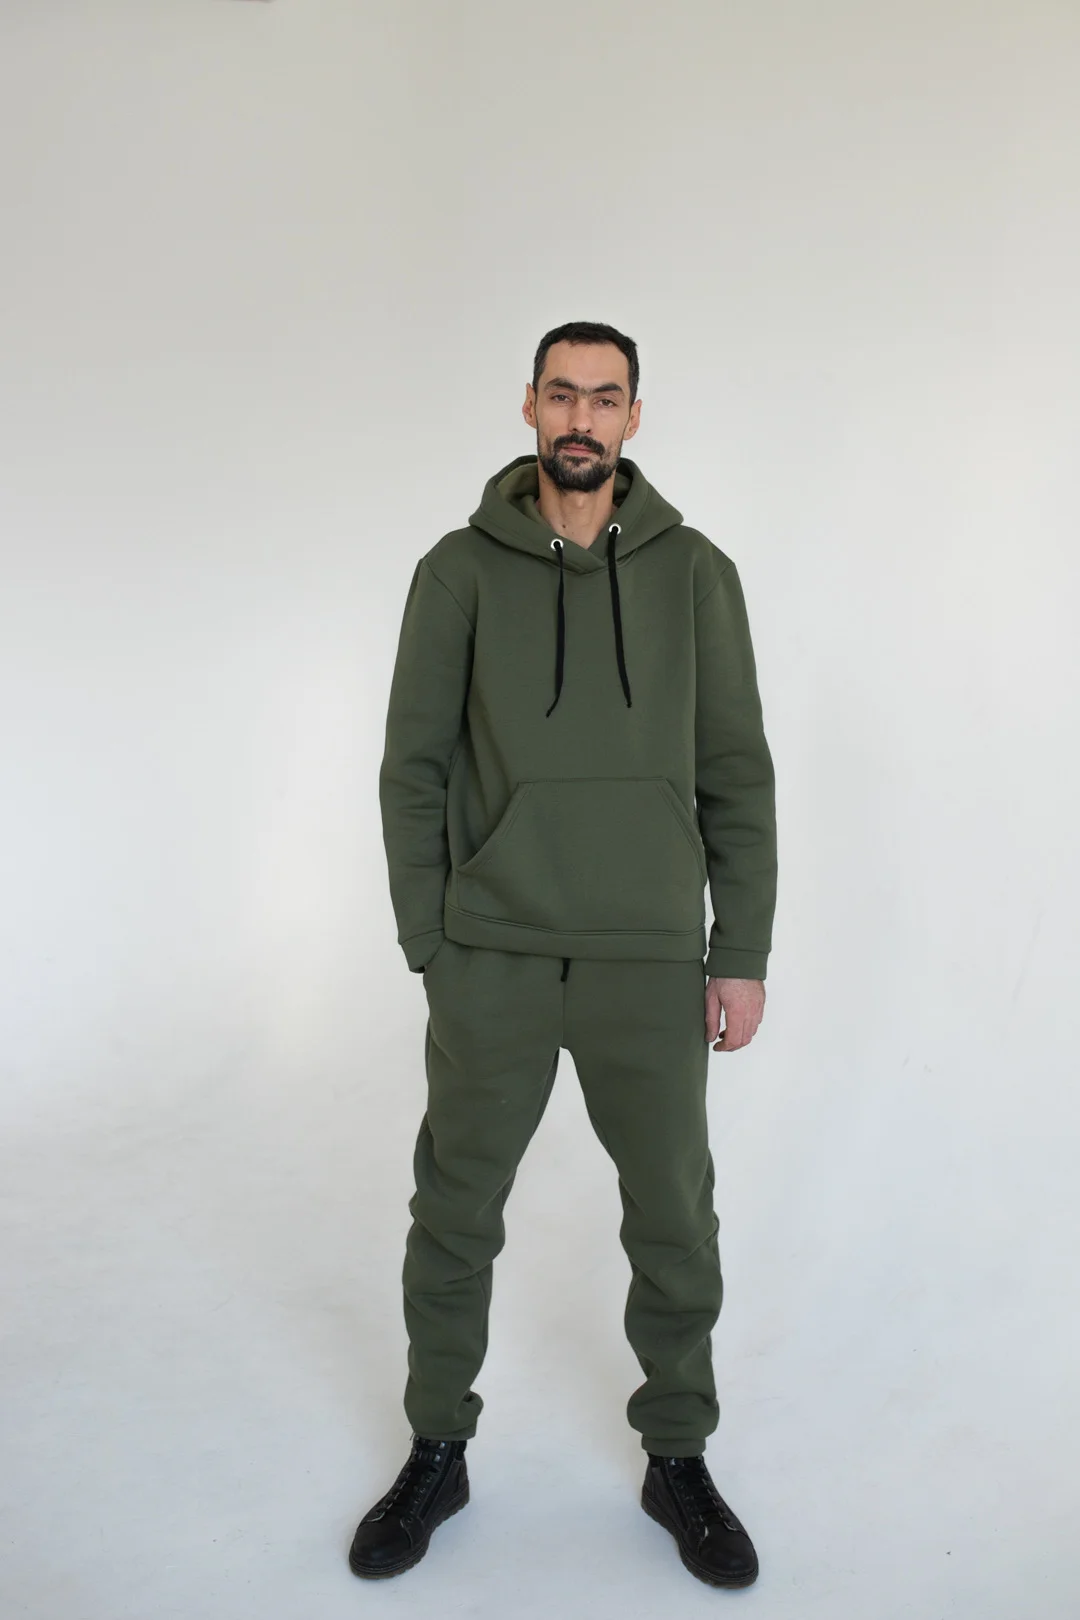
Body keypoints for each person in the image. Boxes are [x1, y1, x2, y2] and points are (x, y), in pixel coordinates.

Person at [349, 320, 777, 1588]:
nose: (581, 417)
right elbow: (411, 766)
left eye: (605, 396)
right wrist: (431, 938)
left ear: (635, 418)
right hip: (494, 954)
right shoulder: (456, 572)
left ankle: (677, 1454)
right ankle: (438, 1446)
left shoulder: (696, 573)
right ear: (529, 407)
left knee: (675, 1220)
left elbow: (737, 771)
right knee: (454, 1213)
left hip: (649, 957)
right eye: (561, 394)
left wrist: (739, 949)